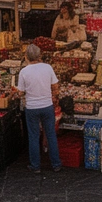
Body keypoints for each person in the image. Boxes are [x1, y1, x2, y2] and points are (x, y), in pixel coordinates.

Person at [17, 44, 62, 172]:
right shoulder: (47, 68)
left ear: (26, 57)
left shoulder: (24, 71)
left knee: (33, 137)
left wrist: (19, 92)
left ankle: (35, 166)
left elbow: (20, 92)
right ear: (39, 55)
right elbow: (55, 86)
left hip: (32, 108)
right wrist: (52, 95)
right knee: (51, 135)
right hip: (47, 106)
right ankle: (56, 164)